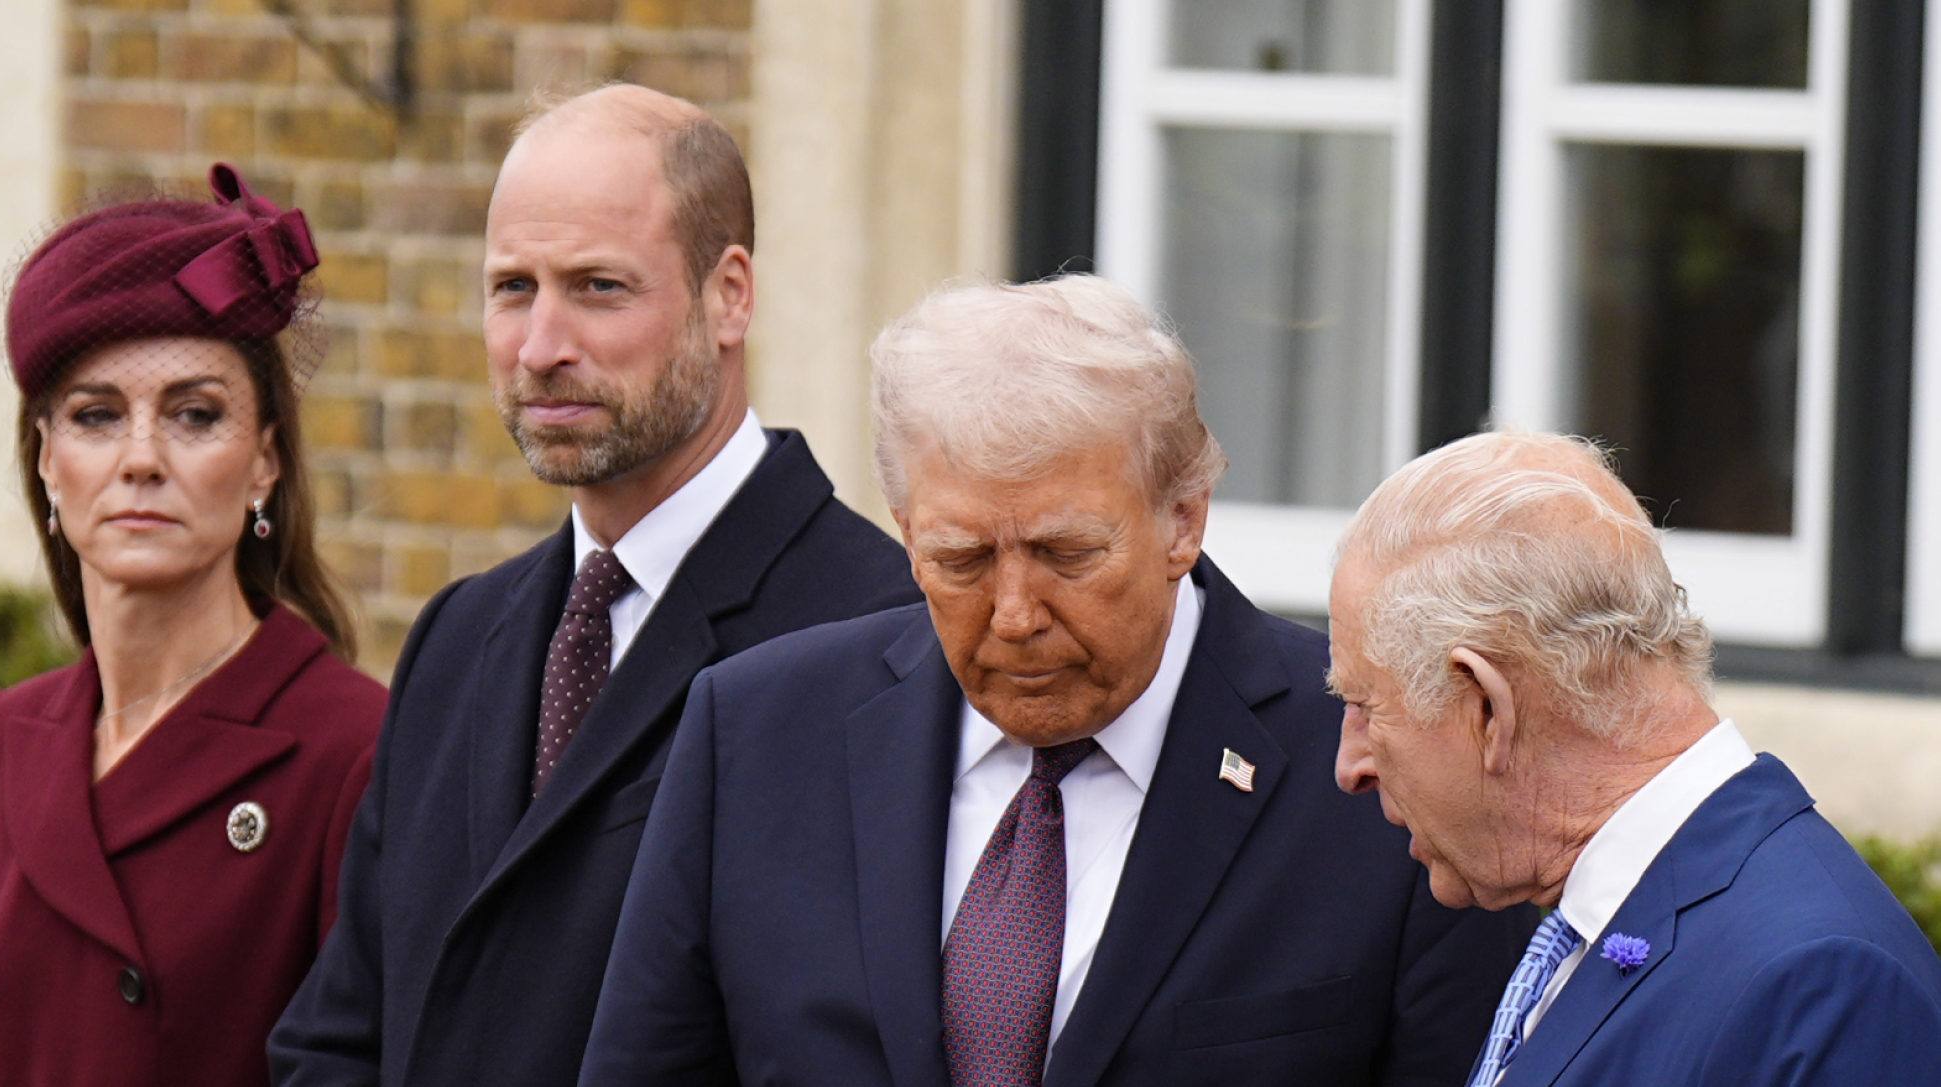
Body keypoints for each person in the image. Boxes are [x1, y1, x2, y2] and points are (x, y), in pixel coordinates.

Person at [578, 275, 1532, 1087]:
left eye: (1065, 554)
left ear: (1183, 519)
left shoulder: (1382, 772)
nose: (1014, 614)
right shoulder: (754, 735)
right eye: (959, 559)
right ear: (905, 532)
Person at [268, 83, 920, 1087]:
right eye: (512, 288)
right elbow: (338, 1035)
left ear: (729, 295)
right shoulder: (457, 636)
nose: (540, 347)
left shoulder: (880, 637)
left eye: (598, 287)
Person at [0, 165, 386, 1087]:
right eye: (97, 416)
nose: (141, 457)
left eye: (194, 414)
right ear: (47, 461)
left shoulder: (354, 747)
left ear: (264, 462)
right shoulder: (6, 733)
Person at [1328, 429, 1941, 1087]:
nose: (1349, 765)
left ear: (1486, 709)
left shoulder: (1819, 986)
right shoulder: (1626, 919)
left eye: (1366, 706)